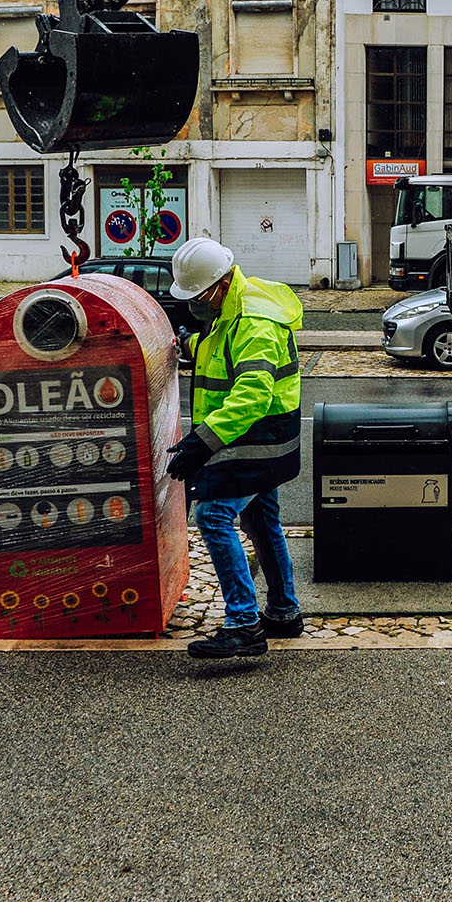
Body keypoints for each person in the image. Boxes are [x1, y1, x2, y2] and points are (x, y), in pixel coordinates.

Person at [163, 237, 304, 659]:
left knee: (212, 515)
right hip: (255, 437)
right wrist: (188, 345)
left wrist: (200, 443)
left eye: (198, 296)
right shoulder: (232, 308)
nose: (194, 304)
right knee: (261, 521)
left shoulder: (255, 323)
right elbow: (219, 348)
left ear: (221, 284)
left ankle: (244, 624)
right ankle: (283, 611)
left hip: (256, 439)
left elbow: (252, 396)